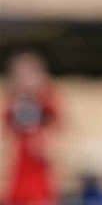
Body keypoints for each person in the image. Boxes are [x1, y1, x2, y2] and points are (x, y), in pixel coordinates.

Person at [3, 50, 60, 205]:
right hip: (17, 178)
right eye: (21, 75)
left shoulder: (48, 103)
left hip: (40, 180)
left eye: (30, 74)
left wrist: (46, 143)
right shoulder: (12, 104)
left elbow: (58, 132)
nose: (26, 80)